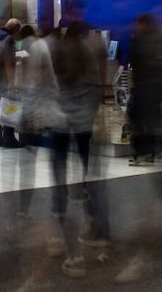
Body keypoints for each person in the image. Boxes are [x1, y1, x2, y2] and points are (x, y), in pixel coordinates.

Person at [49, 20, 110, 278]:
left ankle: (67, 247)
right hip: (85, 125)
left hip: (62, 124)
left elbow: (54, 86)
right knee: (89, 177)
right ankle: (98, 232)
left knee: (61, 176)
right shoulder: (90, 52)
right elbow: (97, 87)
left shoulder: (60, 50)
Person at [127, 15, 162, 166]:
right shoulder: (160, 40)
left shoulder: (140, 41)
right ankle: (151, 151)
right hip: (156, 87)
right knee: (152, 119)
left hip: (143, 86)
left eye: (138, 24)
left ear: (144, 24)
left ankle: (140, 152)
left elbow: (135, 61)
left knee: (136, 118)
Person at [0, 18, 22, 148]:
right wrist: (12, 81)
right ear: (15, 28)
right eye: (18, 31)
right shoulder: (8, 39)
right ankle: (9, 138)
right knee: (8, 107)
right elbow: (7, 62)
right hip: (2, 79)